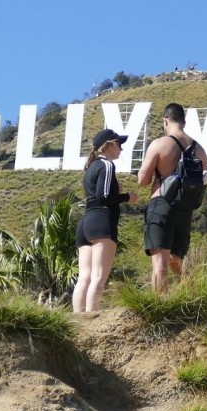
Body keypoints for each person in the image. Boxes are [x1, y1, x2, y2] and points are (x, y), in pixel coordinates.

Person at [137, 103, 207, 294]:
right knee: (178, 264)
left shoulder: (160, 144)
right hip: (185, 209)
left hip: (161, 204)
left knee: (160, 263)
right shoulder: (200, 150)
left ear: (166, 120)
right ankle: (191, 299)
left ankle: (161, 308)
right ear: (183, 122)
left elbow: (142, 181)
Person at [74, 129, 137, 313]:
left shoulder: (90, 167)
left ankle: (78, 321)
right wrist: (127, 197)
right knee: (98, 277)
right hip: (102, 221)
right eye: (119, 144)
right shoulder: (107, 165)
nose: (121, 149)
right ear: (108, 145)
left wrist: (116, 193)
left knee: (84, 277)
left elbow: (98, 195)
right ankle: (92, 319)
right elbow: (105, 197)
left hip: (85, 224)